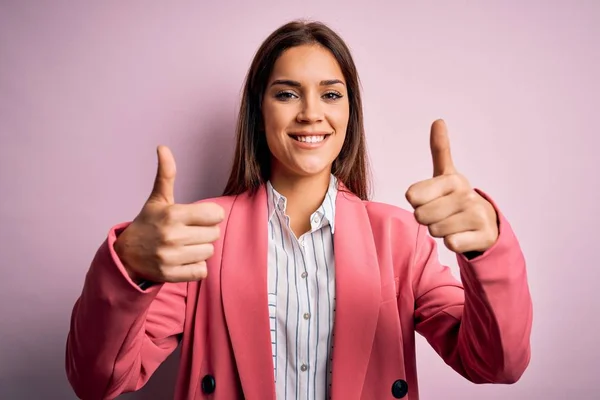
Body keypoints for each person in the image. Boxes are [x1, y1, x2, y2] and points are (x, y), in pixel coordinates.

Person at [65, 20, 532, 400]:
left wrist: (488, 249)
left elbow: (495, 364)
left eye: (331, 94)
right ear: (259, 111)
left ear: (350, 113)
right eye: (287, 93)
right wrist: (125, 268)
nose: (311, 112)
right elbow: (99, 381)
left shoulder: (398, 237)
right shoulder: (202, 232)